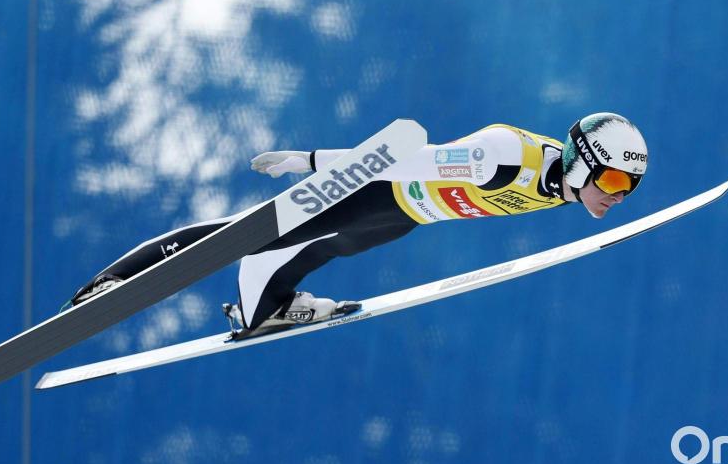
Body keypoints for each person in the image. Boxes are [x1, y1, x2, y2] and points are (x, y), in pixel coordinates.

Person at [65, 112, 648, 338]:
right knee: (242, 233)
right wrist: (311, 162)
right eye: (616, 183)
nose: (617, 198)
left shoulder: (565, 189)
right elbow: (406, 159)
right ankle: (115, 281)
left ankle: (267, 305)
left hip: (406, 217)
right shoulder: (505, 157)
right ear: (581, 161)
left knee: (322, 253)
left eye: (629, 190)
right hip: (379, 189)